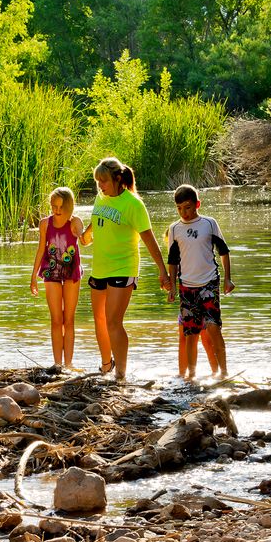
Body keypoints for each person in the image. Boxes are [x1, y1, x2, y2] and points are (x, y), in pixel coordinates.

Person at [82, 158, 170, 381]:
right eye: (98, 181)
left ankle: (120, 374)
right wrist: (83, 236)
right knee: (100, 320)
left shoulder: (134, 204)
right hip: (100, 267)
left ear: (117, 179)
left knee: (113, 322)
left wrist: (162, 270)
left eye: (104, 181)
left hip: (123, 266)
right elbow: (95, 225)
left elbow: (149, 239)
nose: (100, 185)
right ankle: (105, 367)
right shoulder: (100, 198)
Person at [167, 184, 235, 381]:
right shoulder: (174, 229)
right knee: (190, 333)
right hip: (186, 286)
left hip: (209, 283)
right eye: (179, 208)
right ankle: (191, 375)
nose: (184, 212)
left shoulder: (209, 223)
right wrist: (171, 286)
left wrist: (228, 278)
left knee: (214, 327)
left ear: (197, 204)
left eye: (187, 207)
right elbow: (172, 261)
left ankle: (223, 372)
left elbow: (224, 252)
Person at [31, 187, 83, 370]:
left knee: (69, 319)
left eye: (61, 207)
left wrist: (80, 226)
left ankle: (69, 364)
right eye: (54, 206)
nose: (57, 211)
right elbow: (40, 249)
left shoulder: (74, 222)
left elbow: (83, 238)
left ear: (69, 206)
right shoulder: (45, 223)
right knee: (56, 320)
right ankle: (57, 364)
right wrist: (33, 276)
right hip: (51, 271)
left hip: (71, 271)